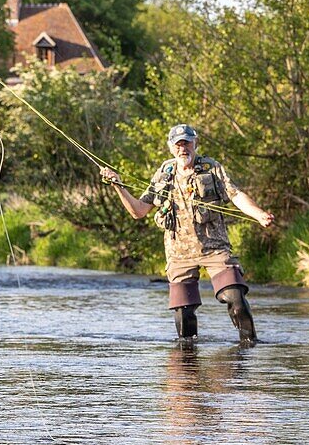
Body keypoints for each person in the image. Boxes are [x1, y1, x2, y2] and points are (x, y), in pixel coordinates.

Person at [101, 124, 275, 344]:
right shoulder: (165, 173)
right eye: (178, 144)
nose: (183, 148)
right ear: (171, 148)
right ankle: (187, 365)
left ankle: (250, 346)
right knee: (183, 313)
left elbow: (236, 195)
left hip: (215, 247)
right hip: (178, 253)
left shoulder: (211, 168)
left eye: (187, 143)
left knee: (235, 297)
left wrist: (258, 215)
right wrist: (118, 186)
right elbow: (138, 211)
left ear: (196, 143)